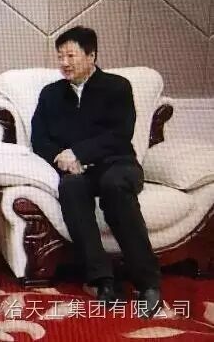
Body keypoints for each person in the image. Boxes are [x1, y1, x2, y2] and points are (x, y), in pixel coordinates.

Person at [31, 26, 161, 318]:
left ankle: (148, 282)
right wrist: (61, 158)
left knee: (115, 186)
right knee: (71, 187)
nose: (64, 62)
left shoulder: (117, 87)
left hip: (118, 163)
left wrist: (79, 152)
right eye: (60, 56)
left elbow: (120, 134)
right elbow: (39, 139)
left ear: (91, 56)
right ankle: (102, 280)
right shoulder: (51, 94)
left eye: (71, 55)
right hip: (77, 170)